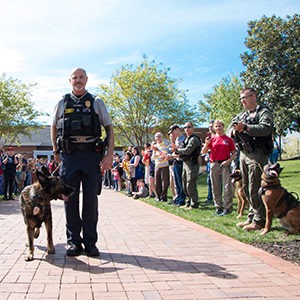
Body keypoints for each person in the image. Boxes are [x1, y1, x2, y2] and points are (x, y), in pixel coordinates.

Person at [51, 67, 114, 257]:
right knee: (69, 200)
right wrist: (55, 150)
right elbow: (53, 126)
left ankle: (90, 242)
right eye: (74, 78)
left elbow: (109, 128)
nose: (78, 80)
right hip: (69, 156)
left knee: (90, 200)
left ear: (86, 79)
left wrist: (109, 154)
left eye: (81, 77)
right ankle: (73, 242)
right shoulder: (62, 102)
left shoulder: (96, 102)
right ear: (69, 80)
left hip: (91, 155)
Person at [231, 87, 273, 231]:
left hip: (257, 153)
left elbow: (266, 128)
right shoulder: (241, 115)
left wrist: (246, 128)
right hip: (243, 153)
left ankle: (260, 220)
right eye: (241, 98)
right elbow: (231, 128)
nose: (242, 101)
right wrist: (235, 129)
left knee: (255, 186)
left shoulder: (264, 112)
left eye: (245, 97)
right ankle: (251, 216)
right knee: (246, 188)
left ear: (254, 96)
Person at [202, 120, 236, 216]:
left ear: (223, 127)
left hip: (225, 164)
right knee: (215, 186)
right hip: (214, 164)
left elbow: (234, 153)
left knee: (226, 187)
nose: (218, 128)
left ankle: (228, 208)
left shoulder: (228, 139)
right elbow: (204, 152)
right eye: (216, 126)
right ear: (213, 128)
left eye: (220, 126)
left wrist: (228, 161)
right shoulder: (212, 139)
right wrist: (206, 144)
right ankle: (218, 207)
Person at [171, 122, 201, 210]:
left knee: (190, 184)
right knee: (184, 184)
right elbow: (182, 148)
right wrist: (178, 150)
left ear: (193, 128)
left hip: (192, 163)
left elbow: (188, 150)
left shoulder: (194, 139)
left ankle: (194, 203)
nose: (187, 129)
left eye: (188, 127)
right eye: (185, 127)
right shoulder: (186, 139)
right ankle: (188, 202)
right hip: (185, 162)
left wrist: (177, 150)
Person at [168, 124, 186, 206]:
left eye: (173, 131)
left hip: (181, 161)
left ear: (177, 129)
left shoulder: (183, 138)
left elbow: (182, 151)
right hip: (175, 161)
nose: (173, 133)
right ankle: (178, 198)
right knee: (177, 182)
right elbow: (176, 151)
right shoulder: (177, 139)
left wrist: (175, 149)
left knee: (180, 181)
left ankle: (182, 199)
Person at [151, 132, 170, 202]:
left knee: (165, 182)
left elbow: (165, 154)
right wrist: (155, 156)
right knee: (157, 182)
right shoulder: (155, 146)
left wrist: (158, 151)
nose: (158, 138)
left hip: (164, 165)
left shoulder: (165, 145)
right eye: (156, 137)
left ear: (162, 137)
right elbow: (152, 157)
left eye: (159, 136)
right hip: (157, 165)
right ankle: (158, 196)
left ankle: (164, 197)